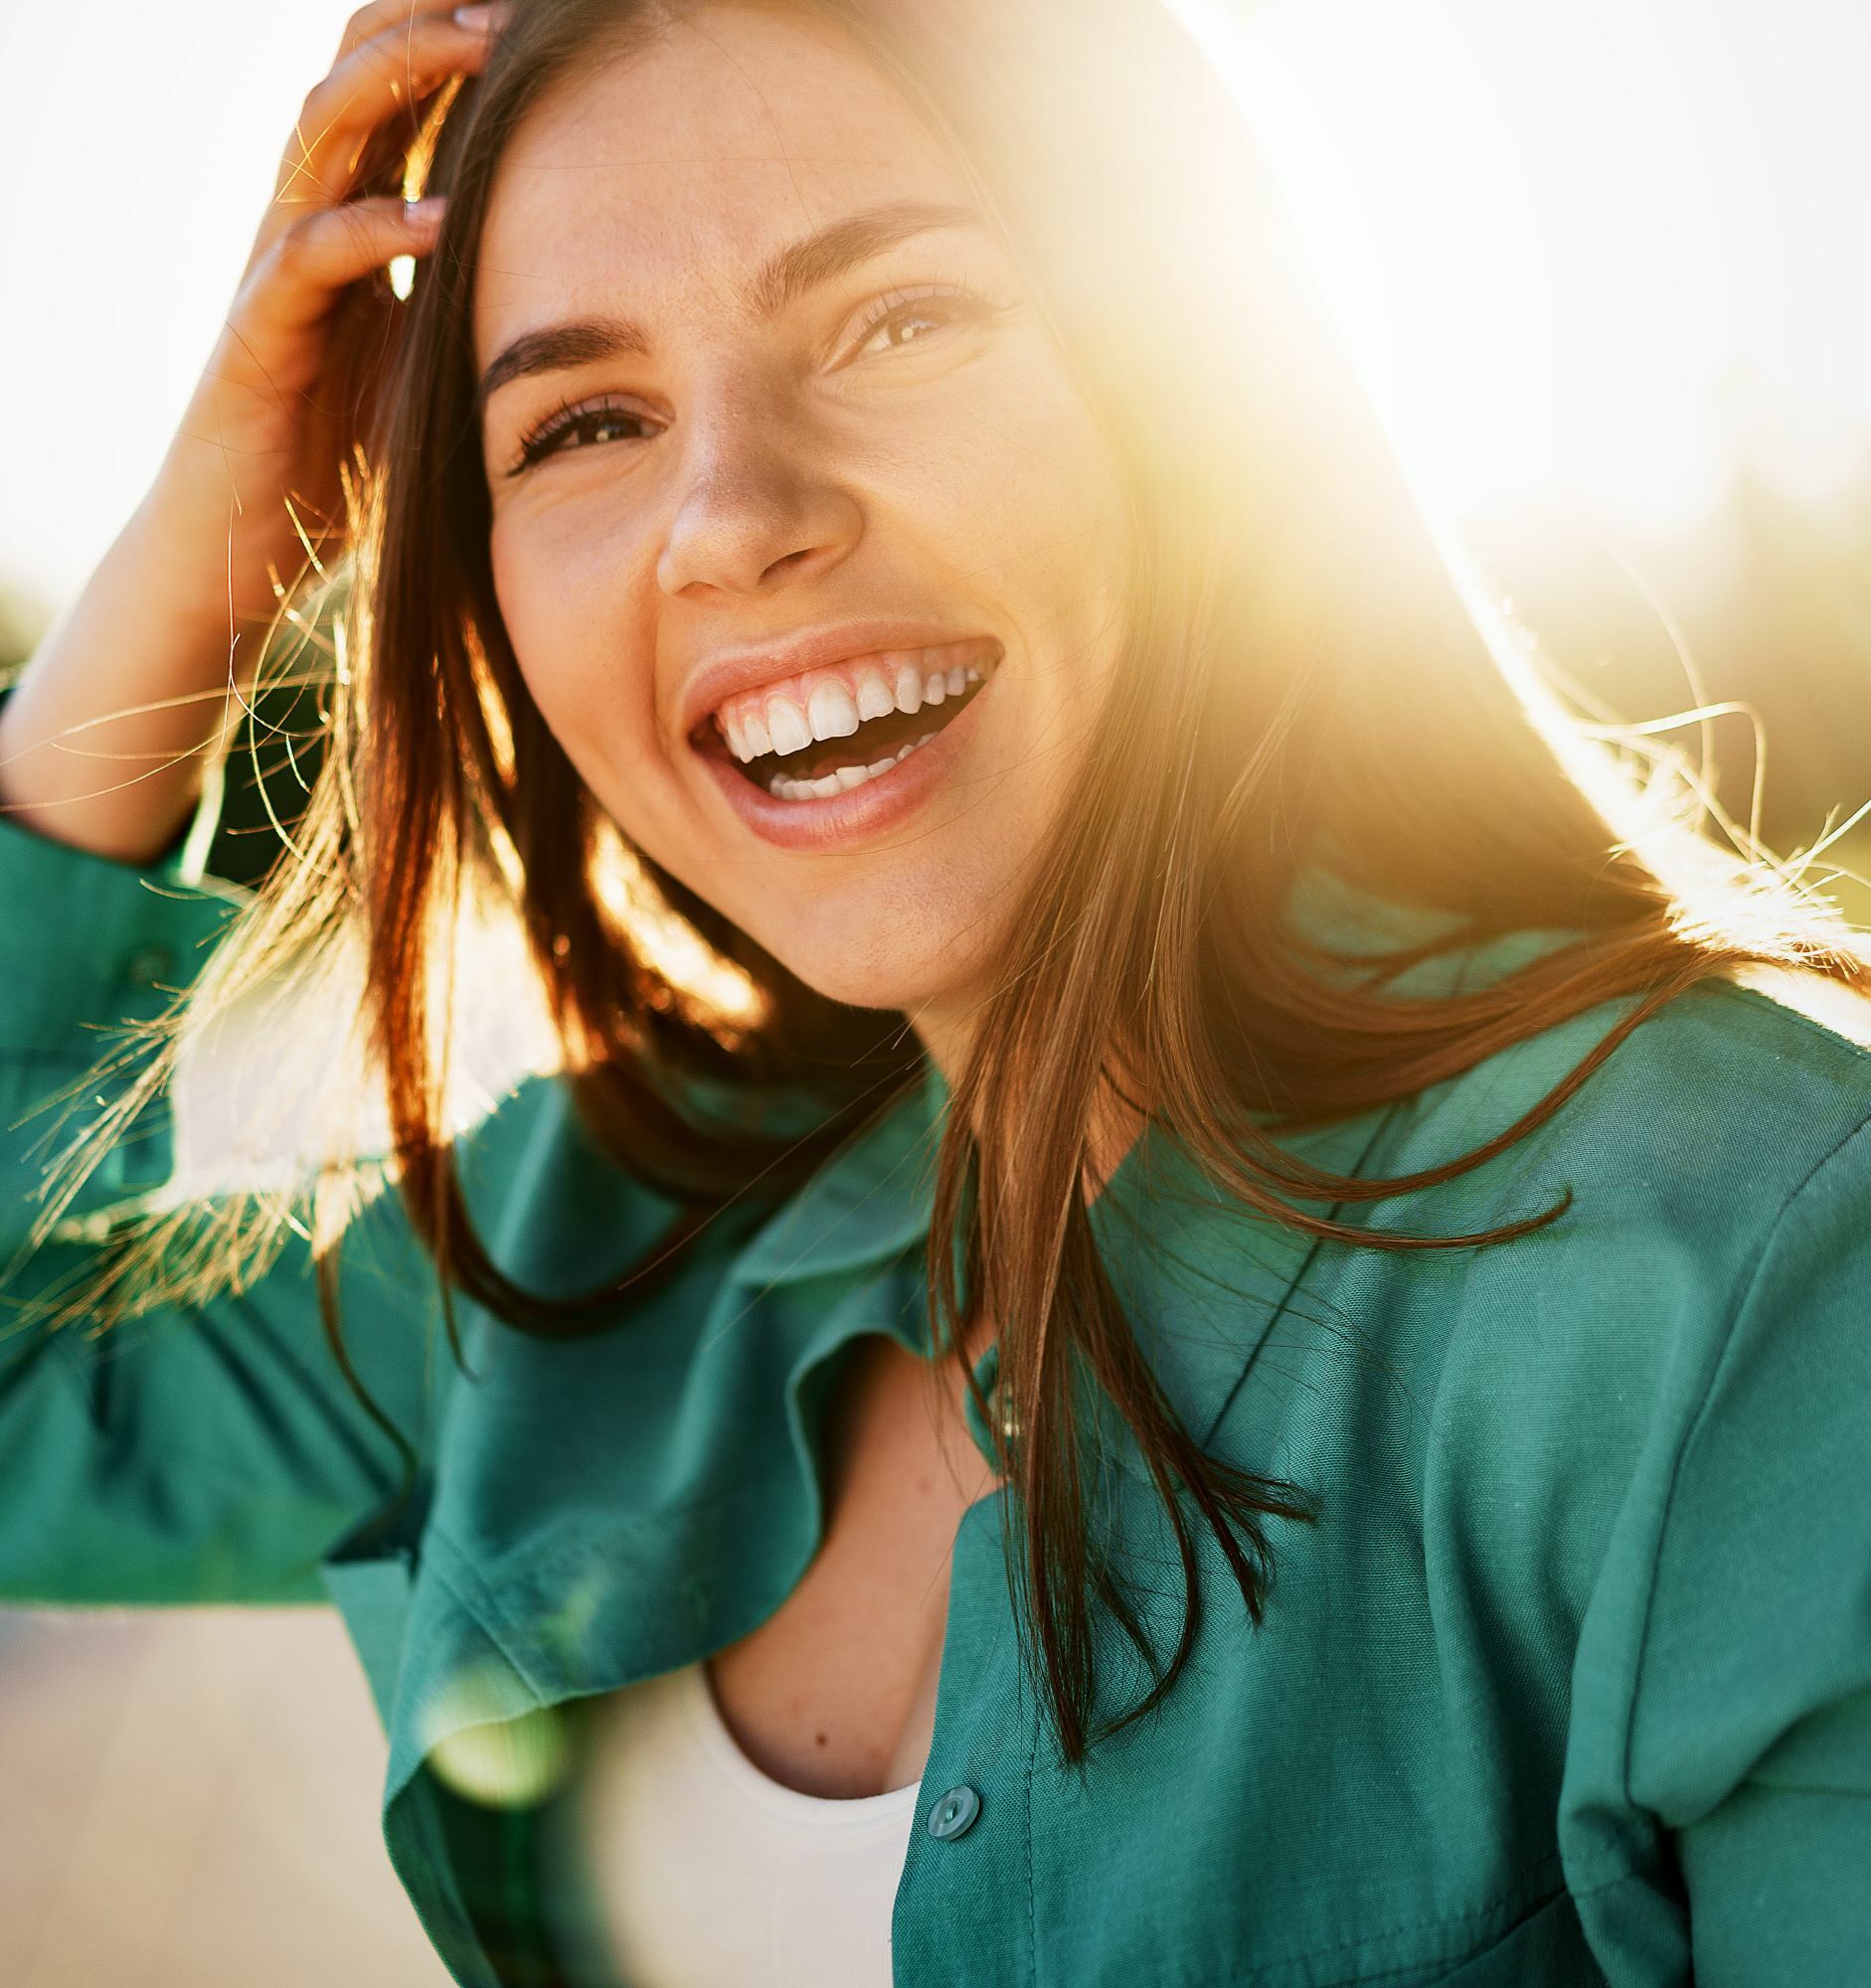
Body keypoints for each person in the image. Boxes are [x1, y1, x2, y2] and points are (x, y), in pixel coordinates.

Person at [1, 1, 1868, 1983]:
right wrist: (200, 542)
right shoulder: (590, 1232)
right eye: (581, 423)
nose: (731, 514)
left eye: (898, 321)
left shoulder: (1748, 1274)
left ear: (1198, 388)